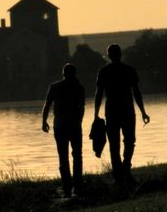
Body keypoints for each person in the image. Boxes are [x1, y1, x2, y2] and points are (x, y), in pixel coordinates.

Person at [94, 44, 150, 185]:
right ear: (120, 54)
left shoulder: (103, 71)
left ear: (108, 55)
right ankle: (125, 168)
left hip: (111, 110)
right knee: (129, 140)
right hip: (127, 109)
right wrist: (143, 111)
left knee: (114, 143)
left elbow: (99, 94)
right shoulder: (129, 70)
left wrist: (95, 114)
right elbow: (136, 92)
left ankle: (119, 174)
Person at [42, 63, 85, 197]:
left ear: (63, 73)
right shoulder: (78, 87)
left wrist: (44, 121)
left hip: (60, 126)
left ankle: (67, 186)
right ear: (74, 73)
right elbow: (81, 107)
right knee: (77, 155)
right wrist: (79, 121)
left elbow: (47, 105)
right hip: (74, 125)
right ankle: (77, 185)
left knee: (63, 156)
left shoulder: (54, 87)